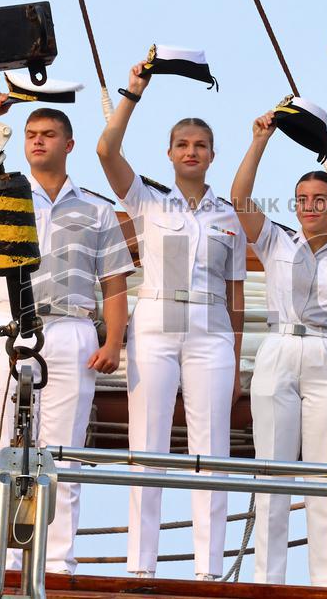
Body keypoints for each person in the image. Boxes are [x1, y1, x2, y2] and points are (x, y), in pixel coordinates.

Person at [95, 60, 246, 580]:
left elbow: (237, 293)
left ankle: (209, 569)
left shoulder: (229, 216)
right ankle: (142, 567)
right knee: (149, 447)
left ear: (211, 155)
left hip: (212, 333)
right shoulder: (147, 201)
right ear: (170, 153)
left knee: (213, 452)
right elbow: (106, 151)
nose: (190, 151)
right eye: (182, 144)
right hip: (157, 324)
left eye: (200, 145)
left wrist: (237, 355)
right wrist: (133, 92)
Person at [0, 93, 133, 573]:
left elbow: (114, 283)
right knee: (3, 444)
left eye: (47, 135)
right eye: (31, 135)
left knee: (61, 451)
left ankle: (57, 561)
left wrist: (113, 341)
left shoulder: (97, 211)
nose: (38, 141)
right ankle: (2, 558)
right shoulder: (1, 194)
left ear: (69, 144)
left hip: (70, 328)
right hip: (9, 324)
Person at [230, 111, 327, 586]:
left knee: (324, 477)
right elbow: (239, 199)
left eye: (320, 200)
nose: (311, 207)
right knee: (272, 473)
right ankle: (267, 583)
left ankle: (325, 585)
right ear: (294, 205)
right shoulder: (275, 241)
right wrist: (259, 141)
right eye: (303, 200)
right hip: (278, 348)